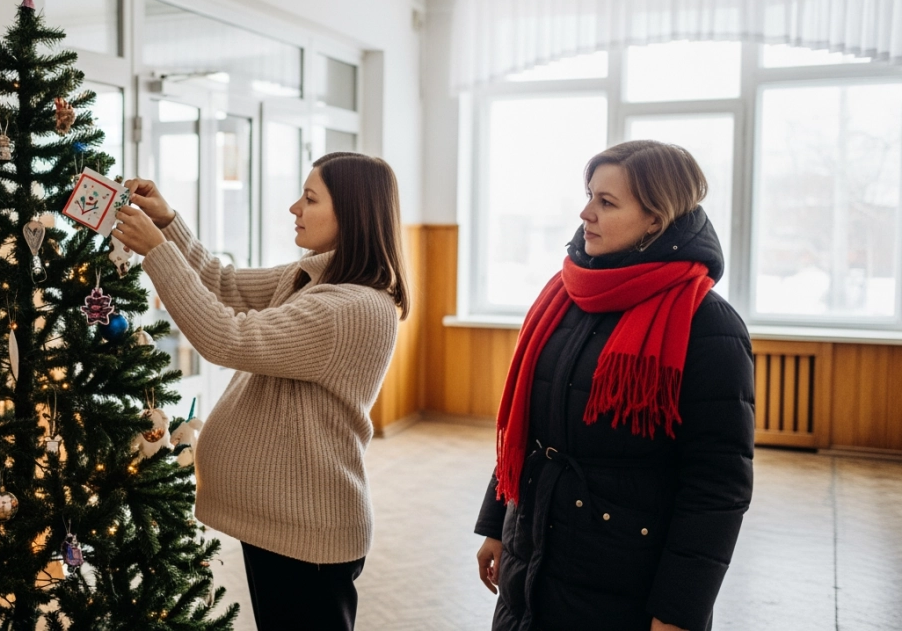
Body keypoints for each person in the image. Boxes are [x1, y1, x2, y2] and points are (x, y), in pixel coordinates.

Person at [112, 151, 409, 631]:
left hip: (306, 531)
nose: (295, 207)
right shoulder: (314, 279)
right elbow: (222, 283)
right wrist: (168, 223)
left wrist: (157, 253)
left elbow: (226, 337)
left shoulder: (352, 306)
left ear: (351, 214)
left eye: (310, 198)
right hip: (282, 524)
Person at [473, 140, 755, 631]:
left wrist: (678, 610)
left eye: (607, 202)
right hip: (532, 558)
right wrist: (497, 524)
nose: (585, 213)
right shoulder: (564, 295)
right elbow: (529, 433)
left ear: (655, 218)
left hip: (625, 583)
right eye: (589, 195)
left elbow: (716, 488)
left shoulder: (709, 324)